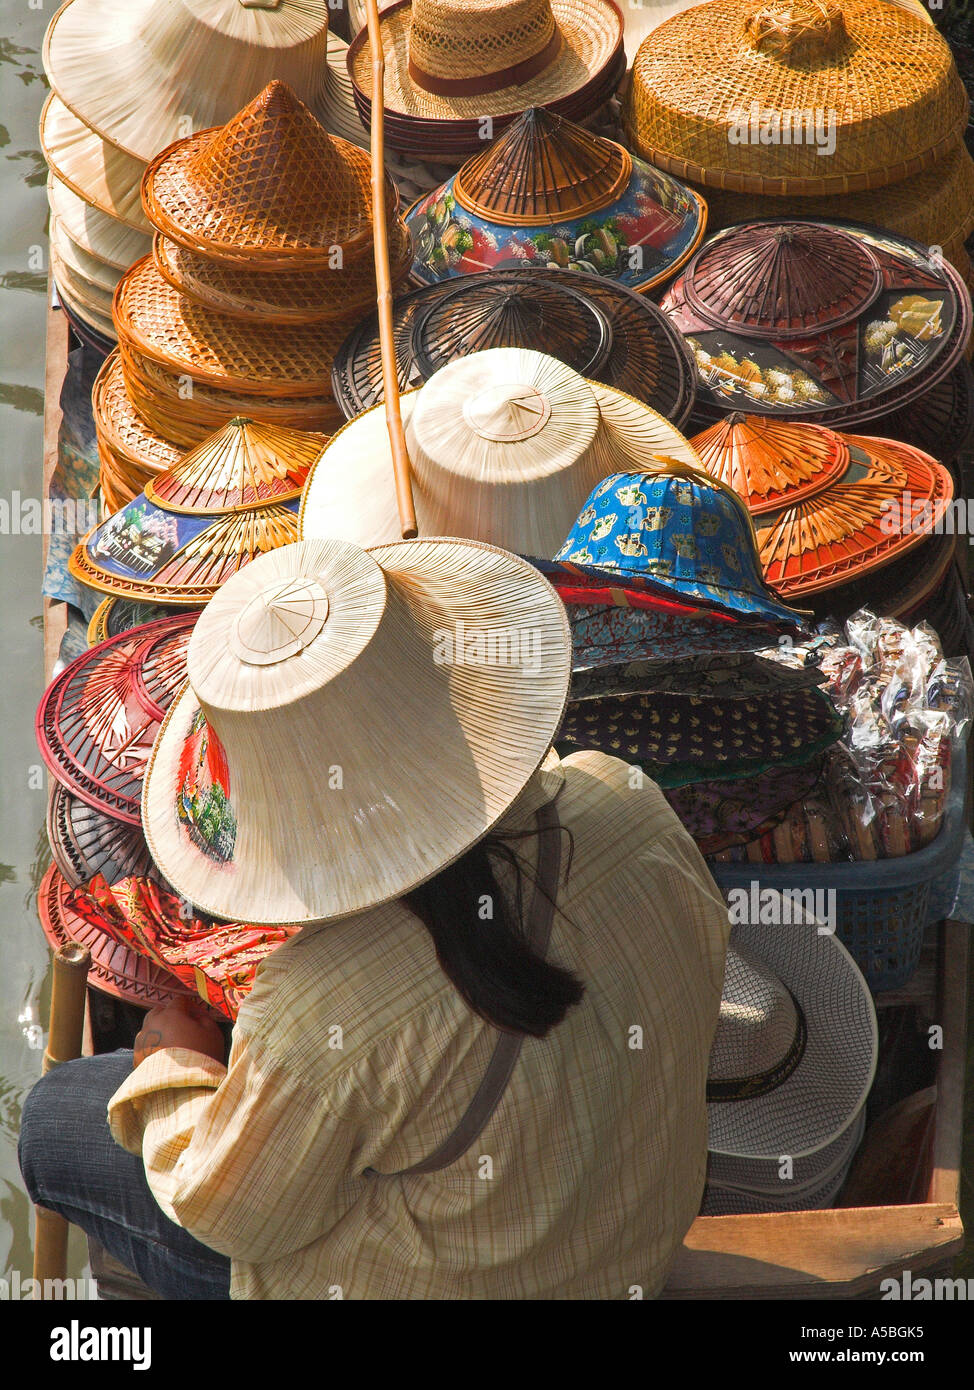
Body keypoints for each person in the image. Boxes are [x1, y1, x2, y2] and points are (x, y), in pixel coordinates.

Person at [21, 536, 730, 1300]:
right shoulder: (625, 802)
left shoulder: (317, 1005)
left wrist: (171, 1068)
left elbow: (230, 1214)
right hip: (628, 1248)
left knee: (57, 1116)